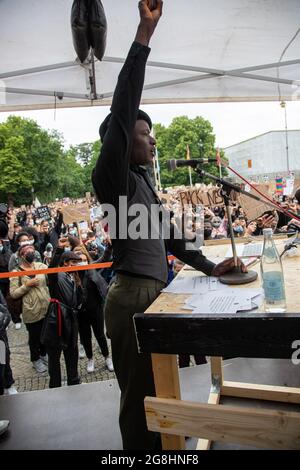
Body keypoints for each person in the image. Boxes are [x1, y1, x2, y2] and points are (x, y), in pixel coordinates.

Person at [92, 0, 245, 450]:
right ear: (121, 142)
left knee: (159, 388)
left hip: (154, 292)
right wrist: (143, 36)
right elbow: (123, 108)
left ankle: (167, 448)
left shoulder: (140, 182)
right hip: (132, 296)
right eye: (145, 134)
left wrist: (210, 266)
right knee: (139, 394)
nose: (154, 141)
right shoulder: (113, 177)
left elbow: (171, 237)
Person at [45, 239, 82, 388]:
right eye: (73, 262)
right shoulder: (56, 276)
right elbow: (51, 268)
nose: (76, 266)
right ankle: (55, 386)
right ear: (66, 262)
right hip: (57, 320)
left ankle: (73, 381)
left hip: (71, 321)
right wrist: (59, 249)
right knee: (54, 357)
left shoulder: (74, 277)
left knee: (72, 354)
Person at [9, 244, 49, 374]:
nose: (31, 253)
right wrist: (27, 285)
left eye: (32, 250)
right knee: (34, 337)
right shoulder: (16, 272)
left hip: (45, 306)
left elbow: (51, 275)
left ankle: (43, 353)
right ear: (21, 255)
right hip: (30, 310)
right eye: (27, 252)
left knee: (45, 333)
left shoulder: (40, 266)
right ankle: (35, 359)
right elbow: (13, 293)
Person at [75, 249, 114, 373]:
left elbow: (104, 258)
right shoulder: (72, 274)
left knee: (100, 335)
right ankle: (90, 359)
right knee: (85, 338)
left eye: (84, 260)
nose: (82, 262)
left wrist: (109, 246)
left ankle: (107, 357)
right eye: (79, 260)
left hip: (96, 309)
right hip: (81, 313)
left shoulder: (92, 269)